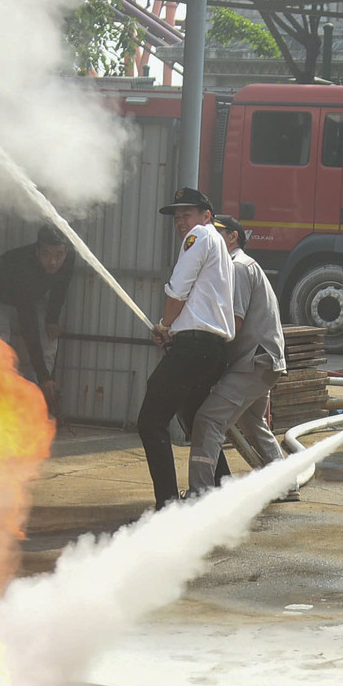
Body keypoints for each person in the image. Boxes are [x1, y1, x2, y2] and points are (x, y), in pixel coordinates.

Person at [137, 187, 235, 511]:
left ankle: (166, 506)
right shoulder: (217, 244)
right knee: (197, 421)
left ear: (207, 216)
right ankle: (223, 489)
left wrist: (164, 326)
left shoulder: (200, 237)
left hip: (194, 348)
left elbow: (178, 291)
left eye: (186, 214)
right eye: (177, 217)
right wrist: (172, 331)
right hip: (209, 349)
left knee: (151, 421)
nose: (181, 222)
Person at [187, 215, 295, 500]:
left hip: (252, 363)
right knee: (252, 423)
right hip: (263, 362)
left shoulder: (235, 268)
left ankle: (201, 494)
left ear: (232, 236)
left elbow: (232, 325)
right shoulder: (247, 265)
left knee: (208, 420)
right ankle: (286, 484)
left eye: (217, 232)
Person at [0, 223, 75, 410]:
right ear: (37, 250)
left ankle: (37, 402)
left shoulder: (69, 260)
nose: (53, 262)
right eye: (46, 254)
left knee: (50, 339)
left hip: (28, 299)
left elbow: (60, 289)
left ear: (66, 252)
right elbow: (29, 328)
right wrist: (45, 377)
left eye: (59, 255)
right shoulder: (23, 268)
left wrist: (53, 319)